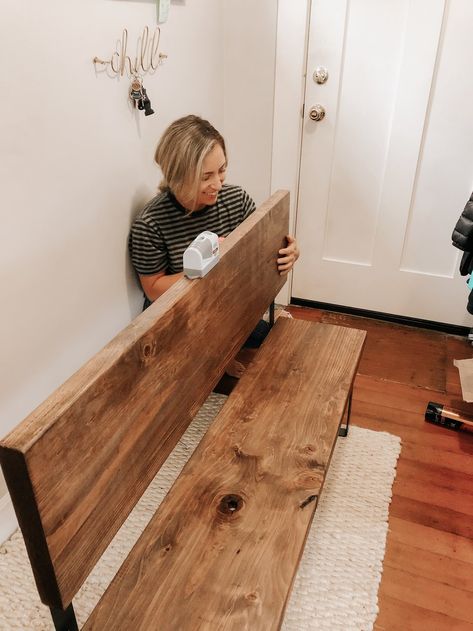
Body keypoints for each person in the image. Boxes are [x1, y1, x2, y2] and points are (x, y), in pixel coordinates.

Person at [129, 114, 299, 373]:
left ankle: (223, 350)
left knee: (277, 340)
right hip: (184, 314)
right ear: (176, 176)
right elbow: (153, 290)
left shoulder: (236, 199)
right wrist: (203, 267)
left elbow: (261, 248)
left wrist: (289, 251)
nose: (217, 184)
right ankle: (214, 358)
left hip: (228, 302)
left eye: (222, 170)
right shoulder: (150, 224)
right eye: (205, 176)